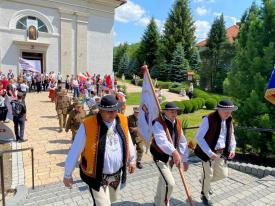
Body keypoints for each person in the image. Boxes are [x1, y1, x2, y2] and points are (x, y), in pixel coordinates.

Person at [63, 95, 136, 206]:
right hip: (96, 176)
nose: (113, 114)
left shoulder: (122, 120)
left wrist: (132, 160)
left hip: (116, 175)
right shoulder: (87, 125)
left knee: (110, 201)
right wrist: (67, 174)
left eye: (115, 110)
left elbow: (128, 140)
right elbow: (75, 149)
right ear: (101, 110)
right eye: (109, 111)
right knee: (104, 204)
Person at [194, 100, 238, 205]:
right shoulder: (208, 119)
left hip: (222, 153)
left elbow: (231, 136)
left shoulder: (229, 120)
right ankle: (205, 194)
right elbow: (198, 137)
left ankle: (204, 182)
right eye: (225, 111)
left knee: (223, 175)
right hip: (208, 153)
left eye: (230, 111)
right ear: (218, 109)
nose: (228, 113)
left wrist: (232, 149)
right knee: (208, 175)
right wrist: (209, 153)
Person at [150, 102, 189, 206]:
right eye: (172, 111)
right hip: (160, 156)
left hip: (171, 158)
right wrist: (175, 152)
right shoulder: (158, 123)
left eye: (176, 111)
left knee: (163, 180)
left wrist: (185, 159)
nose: (174, 113)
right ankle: (164, 204)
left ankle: (157, 202)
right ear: (165, 112)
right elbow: (161, 141)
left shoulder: (178, 123)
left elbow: (182, 141)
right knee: (170, 183)